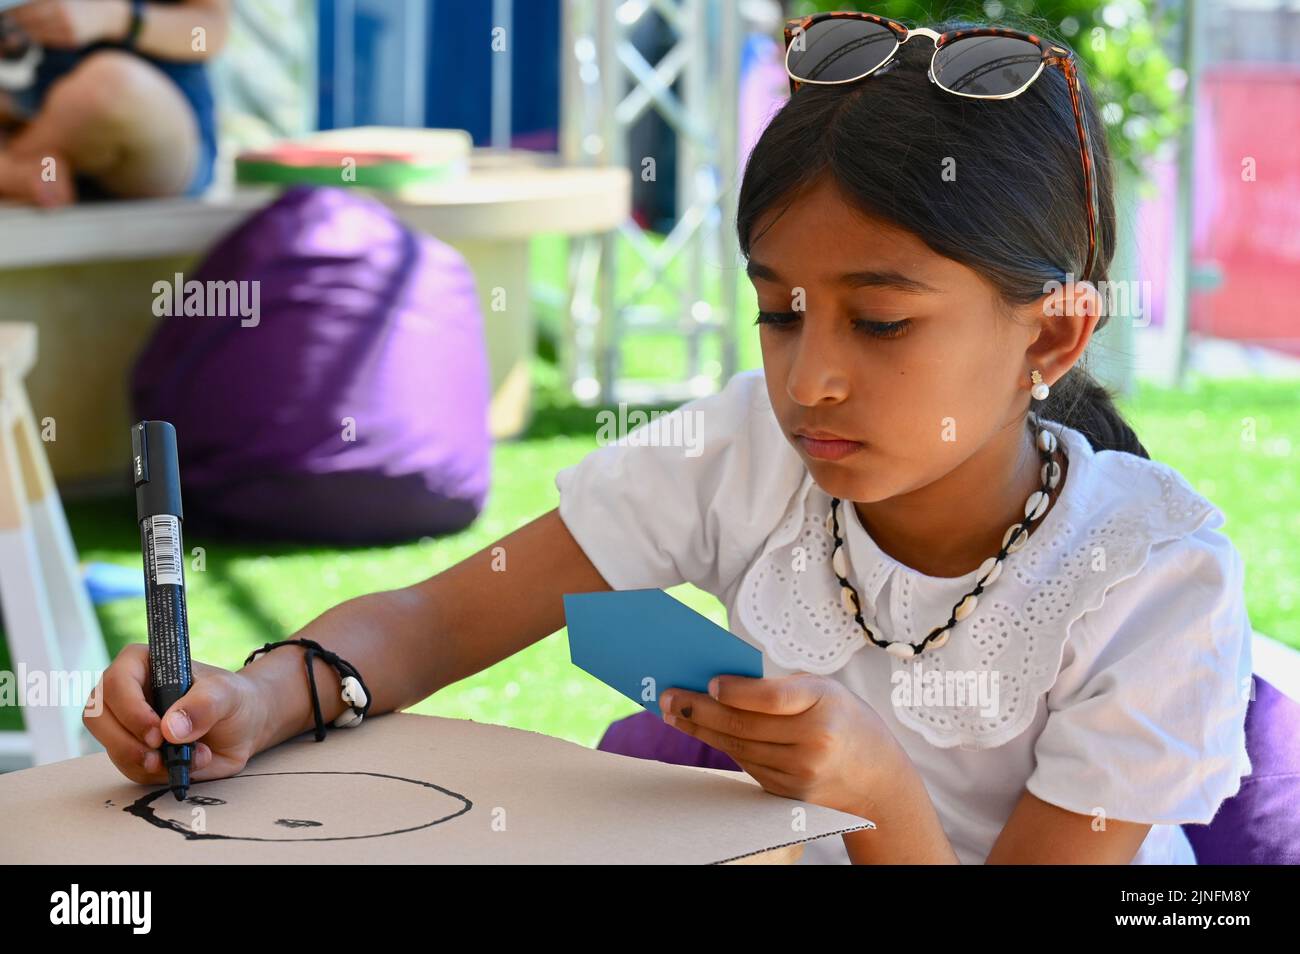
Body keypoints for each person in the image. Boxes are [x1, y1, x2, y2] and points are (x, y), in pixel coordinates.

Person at [83, 15, 1254, 864]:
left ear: (1051, 340)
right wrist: (258, 694)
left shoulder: (1154, 582)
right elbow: (440, 615)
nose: (813, 379)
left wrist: (877, 793)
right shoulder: (745, 452)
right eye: (779, 312)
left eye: (883, 321)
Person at [0, 0, 227, 205]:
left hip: (160, 138)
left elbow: (208, 37)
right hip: (29, 130)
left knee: (109, 88)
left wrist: (118, 19)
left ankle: (13, 171)